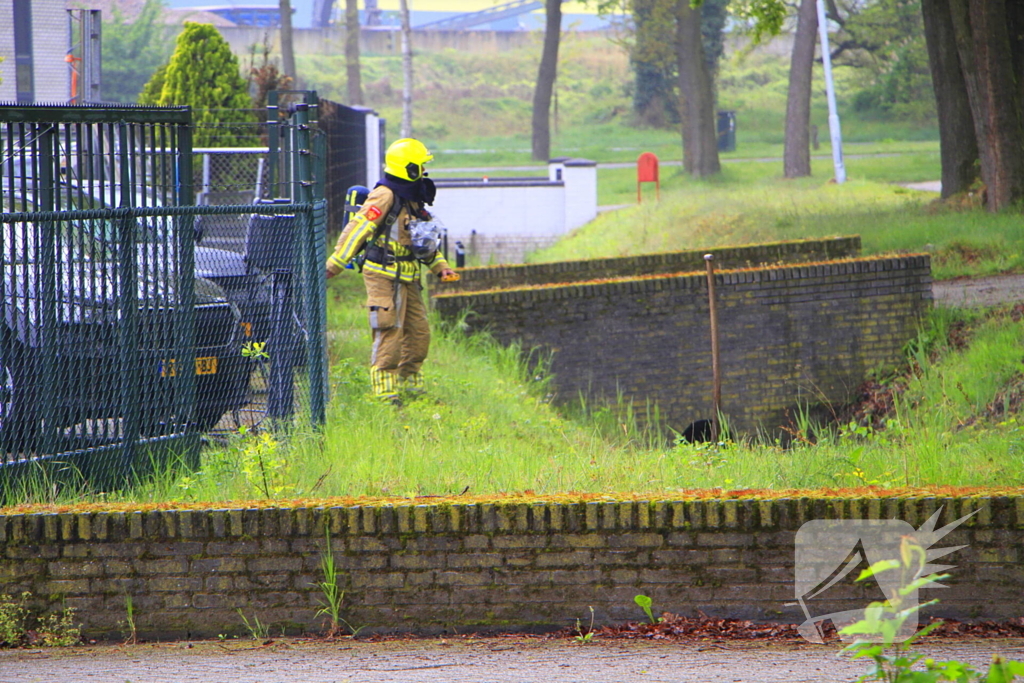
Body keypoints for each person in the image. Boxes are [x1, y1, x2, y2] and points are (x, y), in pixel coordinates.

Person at [326, 138, 457, 405]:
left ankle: (411, 389)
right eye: (420, 166)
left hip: (409, 277)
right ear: (407, 168)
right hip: (383, 275)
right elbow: (358, 229)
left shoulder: (412, 200)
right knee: (389, 331)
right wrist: (334, 264)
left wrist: (440, 267)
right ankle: (385, 394)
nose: (424, 172)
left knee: (419, 334)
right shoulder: (385, 195)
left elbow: (423, 241)